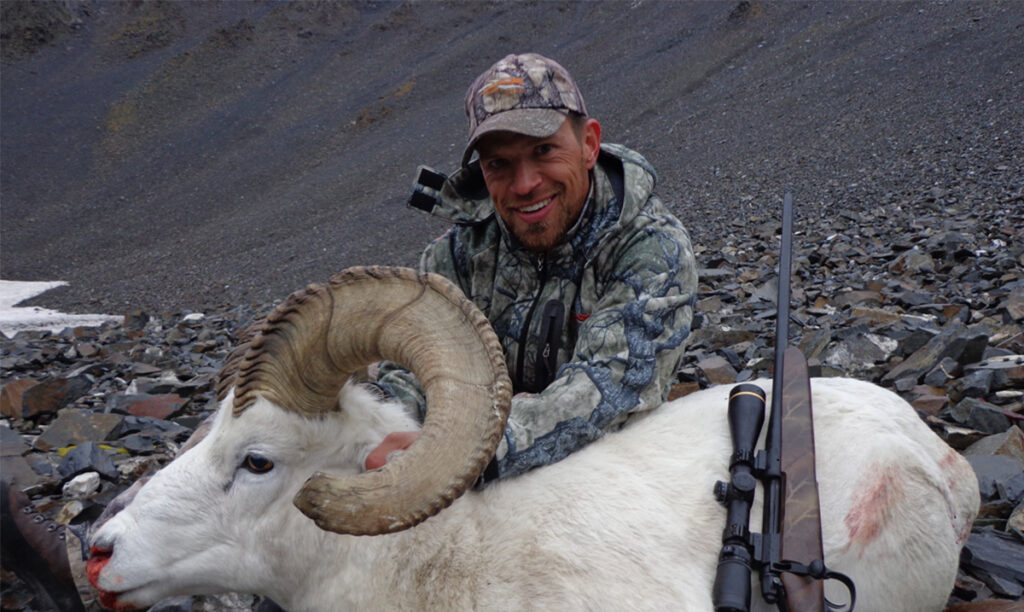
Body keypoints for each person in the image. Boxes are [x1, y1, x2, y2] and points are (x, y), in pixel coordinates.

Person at [366, 52, 698, 482]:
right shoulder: (453, 257)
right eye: (498, 164)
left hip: (610, 483)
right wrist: (371, 420)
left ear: (589, 144)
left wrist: (460, 449)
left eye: (543, 151)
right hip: (477, 478)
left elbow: (608, 388)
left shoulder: (650, 248)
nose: (524, 185)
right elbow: (411, 369)